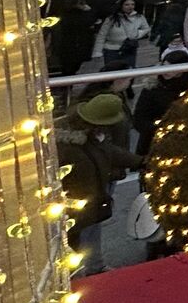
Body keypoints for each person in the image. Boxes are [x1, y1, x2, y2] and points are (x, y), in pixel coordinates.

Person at [56, 93, 143, 274]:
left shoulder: (93, 137)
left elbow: (110, 153)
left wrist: (139, 161)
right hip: (75, 208)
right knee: (75, 244)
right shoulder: (68, 147)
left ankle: (92, 268)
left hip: (90, 203)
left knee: (90, 236)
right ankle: (77, 277)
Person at [131, 51, 188, 157]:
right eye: (165, 67)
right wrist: (158, 130)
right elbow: (139, 117)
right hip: (154, 143)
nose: (166, 72)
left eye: (171, 68)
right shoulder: (153, 87)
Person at [94, 0, 150, 72]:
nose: (130, 7)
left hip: (129, 48)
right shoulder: (112, 18)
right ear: (121, 5)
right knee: (112, 72)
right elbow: (102, 35)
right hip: (111, 50)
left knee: (128, 72)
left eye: (132, 4)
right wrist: (97, 51)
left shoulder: (139, 17)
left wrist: (137, 34)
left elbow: (146, 28)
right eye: (127, 4)